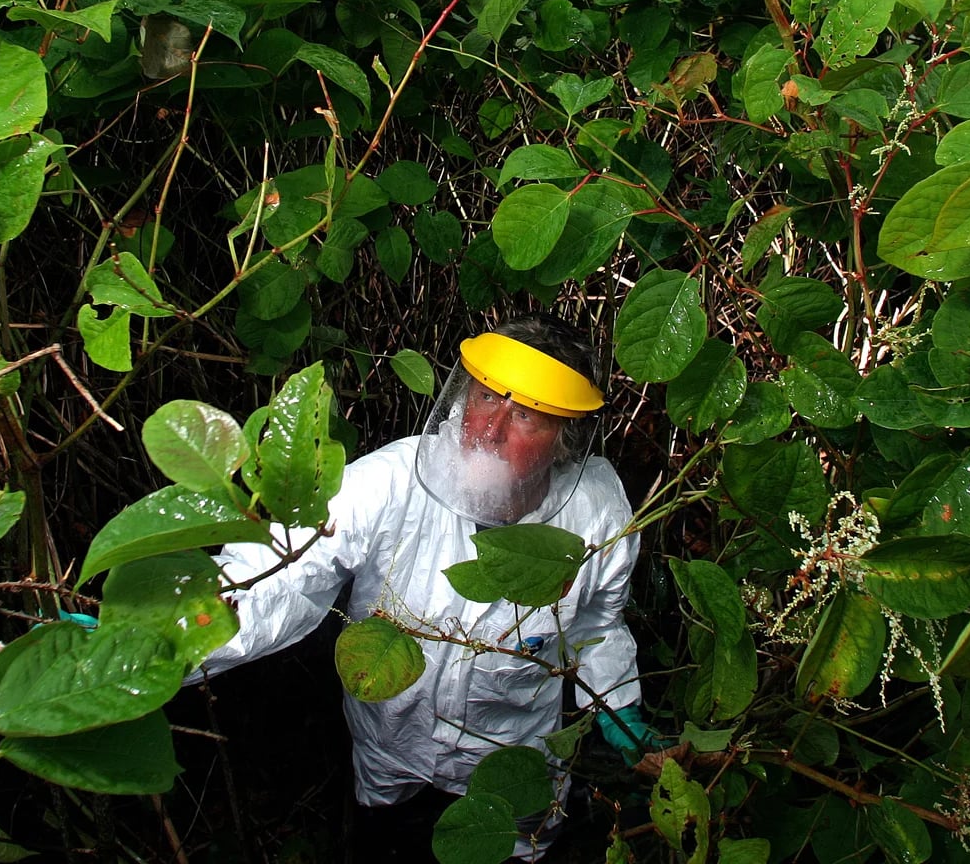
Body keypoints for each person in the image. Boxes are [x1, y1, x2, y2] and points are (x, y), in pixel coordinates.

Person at [195, 316, 647, 860]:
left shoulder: (596, 514)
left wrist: (620, 708)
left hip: (513, 766)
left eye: (525, 414)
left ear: (566, 440)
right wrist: (154, 637)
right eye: (485, 397)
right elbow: (282, 575)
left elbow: (597, 622)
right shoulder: (390, 481)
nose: (489, 429)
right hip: (390, 749)